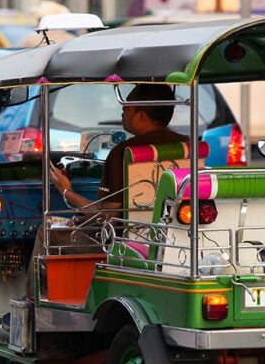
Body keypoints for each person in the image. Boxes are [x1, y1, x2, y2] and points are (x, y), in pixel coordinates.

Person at [22, 84, 187, 300]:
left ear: (141, 116)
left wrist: (67, 191)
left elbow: (106, 218)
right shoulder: (187, 145)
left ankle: (32, 303)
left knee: (49, 230)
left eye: (126, 109)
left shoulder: (123, 152)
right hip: (174, 240)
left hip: (123, 244)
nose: (122, 114)